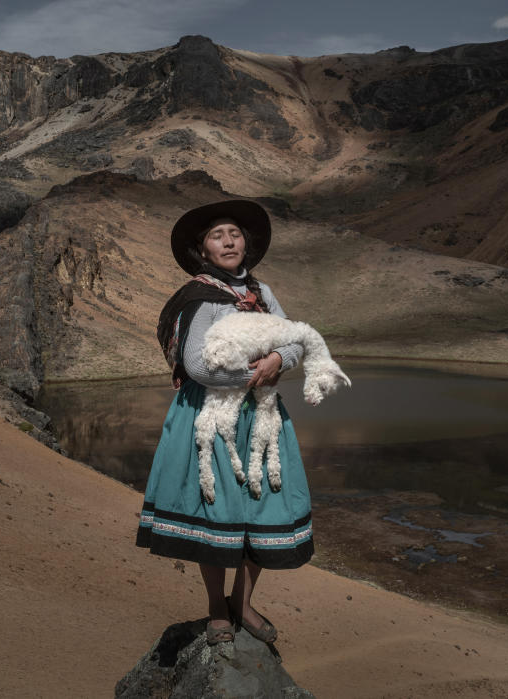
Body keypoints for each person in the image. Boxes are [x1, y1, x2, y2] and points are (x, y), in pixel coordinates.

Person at [136, 199, 313, 646]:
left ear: (246, 243)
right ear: (203, 250)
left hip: (260, 416)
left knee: (260, 504)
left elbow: (294, 339)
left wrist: (277, 358)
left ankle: (242, 601)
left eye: (234, 233)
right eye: (217, 235)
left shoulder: (263, 294)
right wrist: (255, 374)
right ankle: (217, 606)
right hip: (211, 419)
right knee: (216, 511)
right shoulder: (200, 299)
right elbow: (196, 364)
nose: (228, 241)